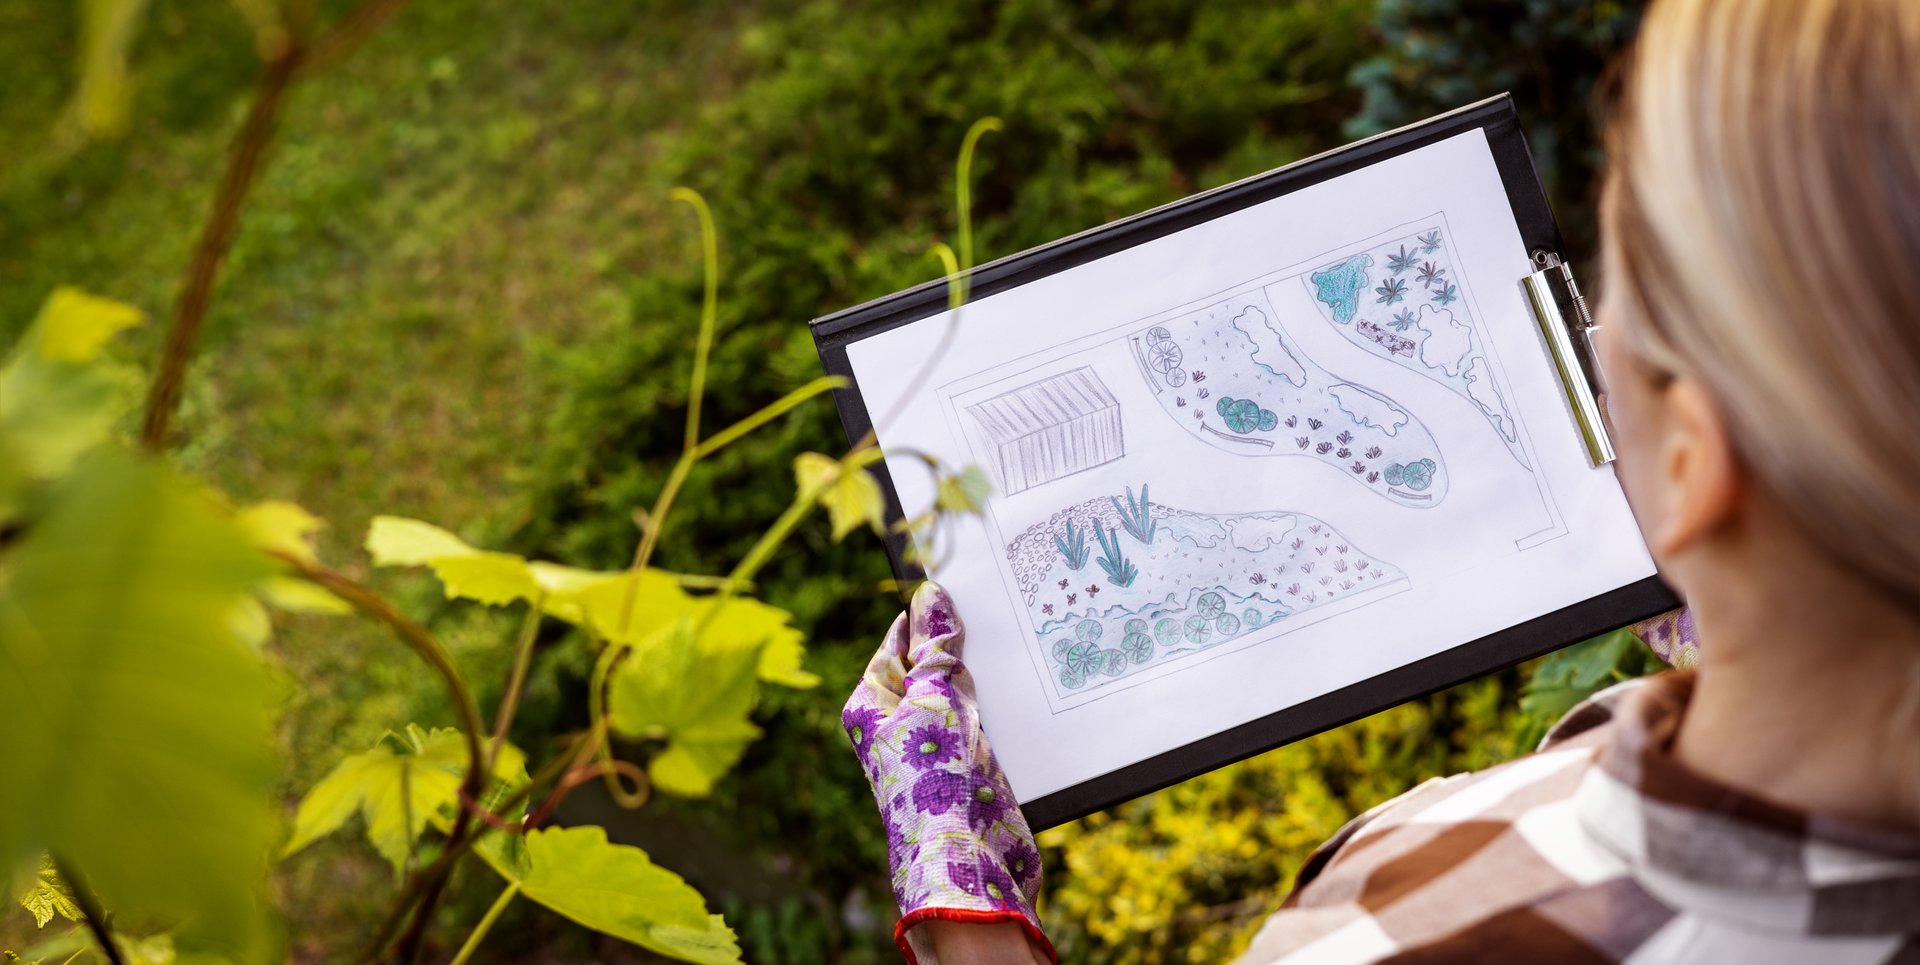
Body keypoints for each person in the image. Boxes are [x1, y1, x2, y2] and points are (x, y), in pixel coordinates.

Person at [840, 0, 1920, 960]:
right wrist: (1765, 608)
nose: (1584, 332)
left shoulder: (1415, 923)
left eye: (1611, 287)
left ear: (1693, 459)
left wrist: (966, 927)